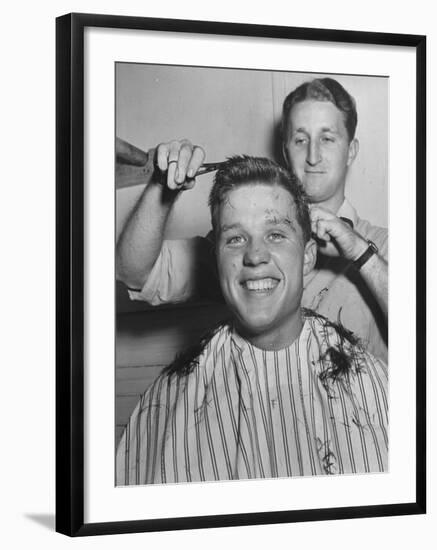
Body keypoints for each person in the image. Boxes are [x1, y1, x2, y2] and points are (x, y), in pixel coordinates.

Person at [116, 156, 388, 485]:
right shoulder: (172, 398)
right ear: (215, 259)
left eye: (275, 235)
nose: (255, 255)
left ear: (307, 257)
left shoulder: (370, 380)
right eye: (235, 238)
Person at [116, 77, 388, 362]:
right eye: (300, 139)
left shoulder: (382, 247)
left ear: (351, 150)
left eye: (327, 138)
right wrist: (162, 186)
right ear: (285, 150)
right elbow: (134, 272)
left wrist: (362, 253)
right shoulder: (242, 246)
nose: (312, 156)